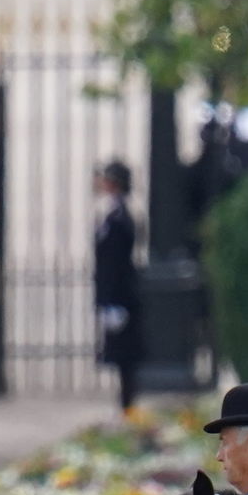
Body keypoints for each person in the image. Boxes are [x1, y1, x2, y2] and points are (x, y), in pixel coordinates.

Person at [94, 160, 146, 413]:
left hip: (121, 295)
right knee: (120, 354)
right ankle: (125, 404)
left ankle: (128, 404)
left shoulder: (120, 216)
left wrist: (111, 299)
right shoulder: (113, 213)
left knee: (126, 356)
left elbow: (115, 262)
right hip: (115, 295)